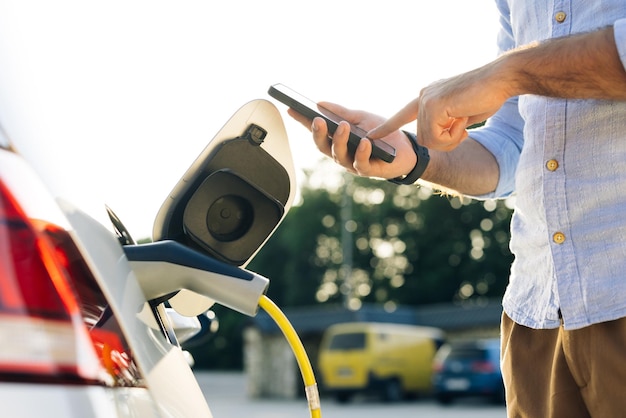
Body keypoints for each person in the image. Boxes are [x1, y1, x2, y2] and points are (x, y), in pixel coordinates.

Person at [288, 2, 626, 417]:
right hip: (536, 316)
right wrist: (414, 156)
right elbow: (512, 149)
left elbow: (514, 77)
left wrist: (508, 73)